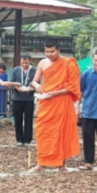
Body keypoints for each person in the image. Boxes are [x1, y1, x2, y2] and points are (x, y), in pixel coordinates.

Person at [29, 39, 81, 173]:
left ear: (58, 50)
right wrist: (37, 86)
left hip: (62, 102)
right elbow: (33, 81)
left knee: (61, 133)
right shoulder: (42, 63)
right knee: (43, 133)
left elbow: (72, 87)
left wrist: (55, 93)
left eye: (52, 51)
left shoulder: (68, 63)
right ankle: (41, 164)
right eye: (47, 52)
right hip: (46, 103)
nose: (49, 54)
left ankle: (61, 166)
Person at [10, 53, 36, 146]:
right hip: (17, 98)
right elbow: (12, 83)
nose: (24, 64)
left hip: (29, 99)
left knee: (28, 119)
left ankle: (27, 139)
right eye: (23, 63)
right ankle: (19, 139)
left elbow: (37, 83)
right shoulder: (15, 70)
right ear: (20, 61)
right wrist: (16, 88)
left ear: (30, 61)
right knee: (18, 119)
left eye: (26, 63)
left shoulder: (34, 70)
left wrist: (32, 89)